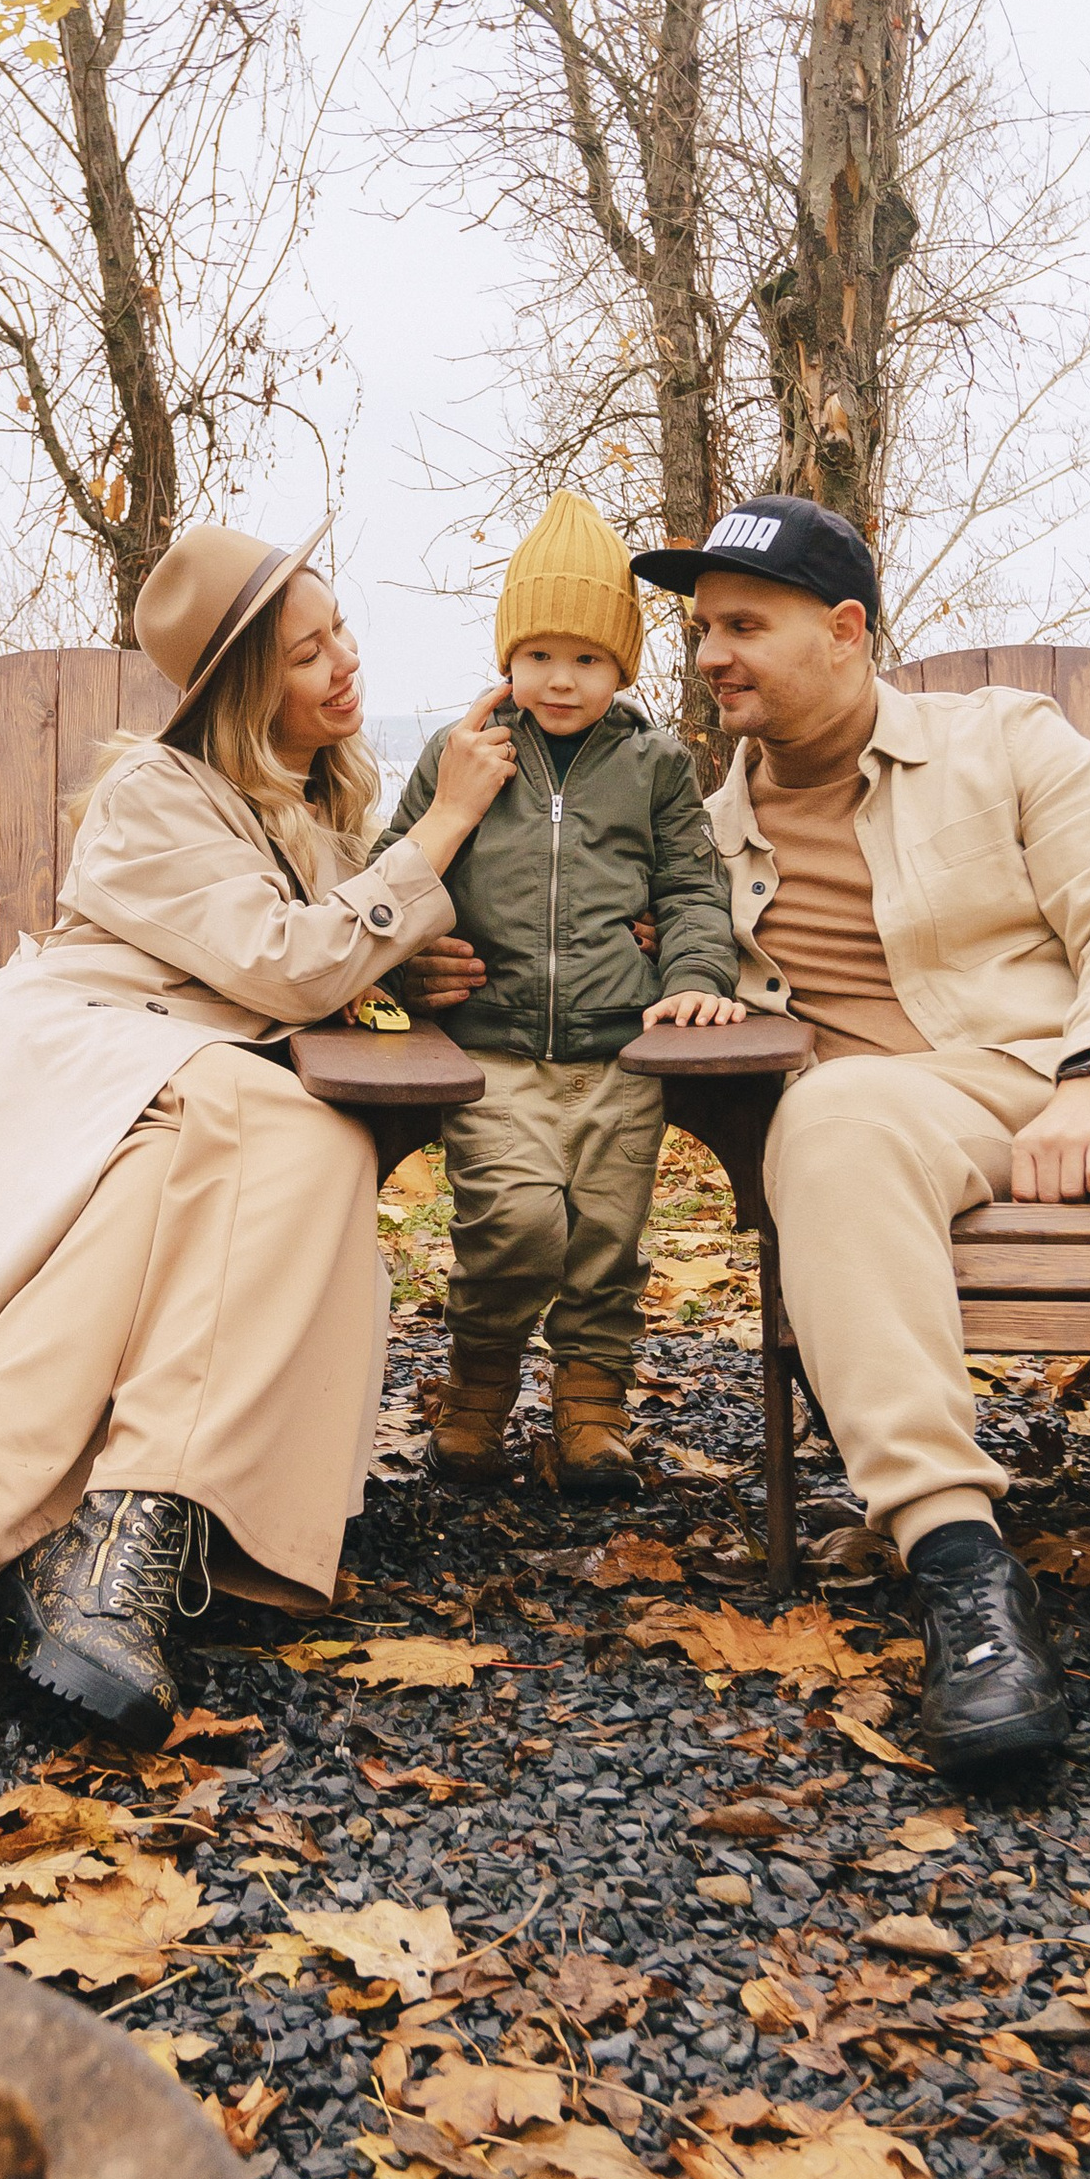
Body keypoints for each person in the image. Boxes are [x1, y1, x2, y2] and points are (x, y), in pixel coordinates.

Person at [418, 491, 1090, 1787]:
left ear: (843, 631)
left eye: (743, 626)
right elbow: (563, 939)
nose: (710, 656)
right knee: (823, 1120)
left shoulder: (1007, 742)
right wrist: (434, 961)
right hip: (901, 1105)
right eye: (701, 629)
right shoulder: (697, 836)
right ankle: (963, 1581)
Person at [0, 522, 520, 1756]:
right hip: (62, 1069)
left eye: (339, 631)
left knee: (300, 1138)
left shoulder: (311, 803)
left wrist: (407, 966)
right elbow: (287, 970)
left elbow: (319, 957)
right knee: (275, 1121)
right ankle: (110, 1556)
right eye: (306, 655)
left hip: (181, 1093)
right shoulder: (154, 793)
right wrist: (442, 829)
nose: (344, 664)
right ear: (244, 689)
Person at [382, 492, 743, 1492]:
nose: (560, 678)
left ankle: (591, 1412)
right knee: (516, 1226)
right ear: (508, 658)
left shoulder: (655, 767)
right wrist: (411, 965)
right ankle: (479, 1387)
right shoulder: (463, 757)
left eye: (587, 658)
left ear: (622, 666)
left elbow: (690, 892)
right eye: (539, 654)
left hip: (619, 1056)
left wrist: (696, 980)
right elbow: (394, 872)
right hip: (491, 1053)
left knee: (605, 1245)